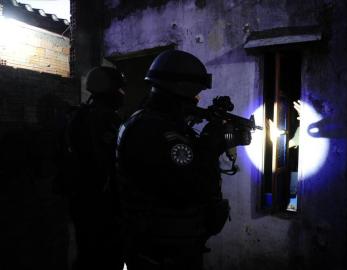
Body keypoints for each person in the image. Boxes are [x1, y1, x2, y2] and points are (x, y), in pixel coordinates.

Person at [116, 50, 251, 270]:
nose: (196, 101)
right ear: (178, 91)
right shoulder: (153, 129)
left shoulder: (155, 123)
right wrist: (209, 146)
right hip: (160, 250)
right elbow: (185, 189)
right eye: (194, 95)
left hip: (172, 245)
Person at [61, 66, 126, 270]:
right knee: (104, 256)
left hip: (82, 198)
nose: (122, 95)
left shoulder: (82, 114)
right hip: (99, 202)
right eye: (119, 89)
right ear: (108, 89)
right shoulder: (104, 118)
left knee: (87, 253)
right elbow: (109, 161)